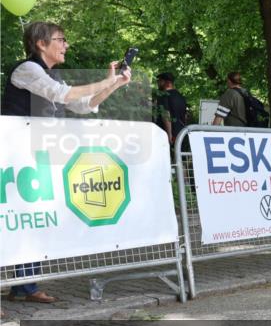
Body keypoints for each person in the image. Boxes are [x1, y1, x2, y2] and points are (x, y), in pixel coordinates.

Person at [1, 21, 132, 304]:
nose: (66, 45)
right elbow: (63, 95)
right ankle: (23, 286)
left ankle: (25, 287)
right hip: (11, 157)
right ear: (41, 43)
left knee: (31, 221)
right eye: (60, 39)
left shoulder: (51, 76)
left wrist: (115, 83)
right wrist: (106, 81)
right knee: (9, 220)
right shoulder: (28, 69)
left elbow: (83, 105)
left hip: (33, 157)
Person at [153, 72, 188, 145]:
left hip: (167, 136)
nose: (158, 83)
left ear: (168, 82)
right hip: (181, 135)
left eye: (160, 81)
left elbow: (166, 115)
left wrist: (169, 135)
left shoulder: (163, 95)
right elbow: (185, 116)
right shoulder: (181, 97)